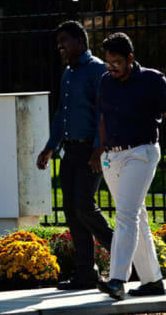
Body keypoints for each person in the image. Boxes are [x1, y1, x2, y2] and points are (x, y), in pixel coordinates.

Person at [96, 32, 166, 300]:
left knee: (125, 215)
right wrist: (103, 149)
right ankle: (152, 281)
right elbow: (102, 116)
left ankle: (117, 279)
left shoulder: (153, 79)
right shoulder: (106, 81)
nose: (111, 67)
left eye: (116, 62)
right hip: (112, 157)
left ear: (130, 58)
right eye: (107, 62)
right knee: (136, 216)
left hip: (142, 152)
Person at [36, 20, 114, 290]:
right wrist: (49, 147)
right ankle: (85, 274)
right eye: (58, 43)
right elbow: (62, 114)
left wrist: (98, 148)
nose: (60, 47)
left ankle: (124, 255)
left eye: (64, 42)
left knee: (84, 205)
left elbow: (104, 112)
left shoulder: (97, 70)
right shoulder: (68, 72)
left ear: (80, 41)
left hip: (91, 151)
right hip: (70, 150)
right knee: (71, 209)